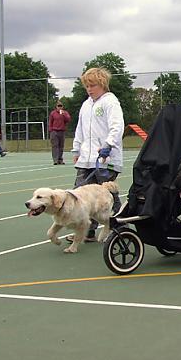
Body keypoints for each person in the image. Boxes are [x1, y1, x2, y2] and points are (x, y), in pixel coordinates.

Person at [71, 67, 124, 241]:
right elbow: (80, 129)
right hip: (86, 159)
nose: (89, 89)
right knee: (81, 196)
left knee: (108, 194)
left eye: (92, 85)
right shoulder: (86, 105)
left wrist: (108, 144)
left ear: (102, 84)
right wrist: (77, 149)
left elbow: (117, 126)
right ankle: (86, 230)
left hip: (106, 159)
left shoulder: (110, 102)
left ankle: (121, 227)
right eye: (87, 85)